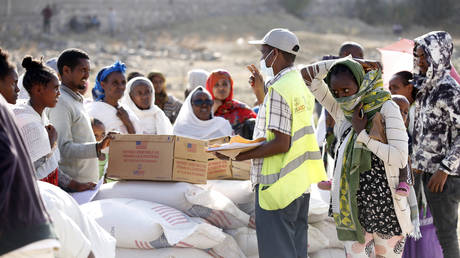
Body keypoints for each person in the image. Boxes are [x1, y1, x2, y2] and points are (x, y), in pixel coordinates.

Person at [226, 28, 327, 258]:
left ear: (275, 54)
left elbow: (281, 143)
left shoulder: (279, 89)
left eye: (263, 54)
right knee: (295, 251)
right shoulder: (299, 83)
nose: (261, 59)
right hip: (299, 185)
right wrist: (261, 93)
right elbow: (286, 125)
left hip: (277, 188)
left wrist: (240, 155)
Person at [301, 57, 413, 257]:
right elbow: (307, 77)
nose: (342, 96)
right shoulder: (342, 111)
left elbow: (399, 158)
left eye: (346, 90)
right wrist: (345, 62)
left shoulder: (387, 107)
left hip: (386, 208)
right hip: (352, 211)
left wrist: (364, 137)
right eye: (336, 92)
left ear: (361, 83)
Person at [411, 31, 460, 258]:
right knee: (443, 235)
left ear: (439, 55)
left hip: (447, 178)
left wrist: (444, 169)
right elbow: (426, 133)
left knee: (447, 236)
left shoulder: (448, 89)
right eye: (418, 55)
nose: (420, 61)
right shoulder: (427, 86)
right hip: (429, 175)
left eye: (426, 56)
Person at [0, 92, 59, 257]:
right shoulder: (22, 119)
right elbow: (23, 167)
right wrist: (49, 145)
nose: (16, 90)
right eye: (12, 83)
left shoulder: (42, 119)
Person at [47, 48, 114, 192]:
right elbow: (62, 148)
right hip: (73, 189)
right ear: (66, 70)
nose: (87, 75)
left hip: (84, 187)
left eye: (88, 70)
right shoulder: (61, 102)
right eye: (82, 70)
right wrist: (98, 147)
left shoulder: (74, 100)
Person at [13, 56, 62, 187]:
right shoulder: (29, 123)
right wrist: (50, 145)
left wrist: (73, 183)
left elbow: (51, 165)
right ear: (38, 90)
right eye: (55, 88)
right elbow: (25, 170)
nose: (59, 93)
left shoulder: (40, 115)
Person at [88, 61, 140, 134]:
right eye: (115, 83)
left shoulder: (127, 111)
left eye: (123, 82)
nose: (121, 86)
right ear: (103, 85)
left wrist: (128, 123)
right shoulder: (93, 111)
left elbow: (137, 142)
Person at [205, 69, 257, 138]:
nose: (221, 88)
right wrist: (212, 111)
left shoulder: (240, 108)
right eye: (216, 85)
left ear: (230, 86)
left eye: (224, 84)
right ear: (210, 88)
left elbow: (259, 128)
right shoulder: (202, 108)